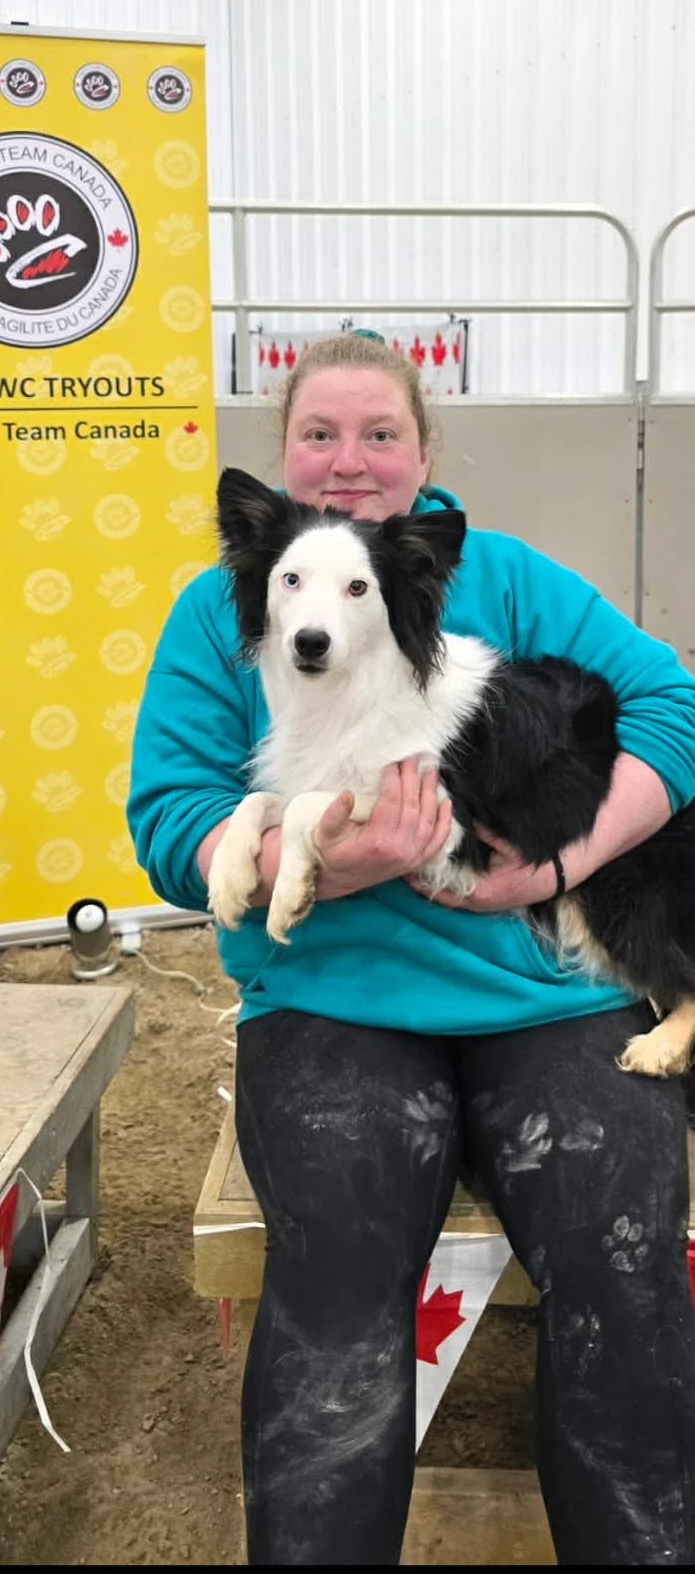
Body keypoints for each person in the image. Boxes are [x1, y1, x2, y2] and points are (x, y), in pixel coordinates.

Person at [126, 330, 695, 1565]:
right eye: (319, 434)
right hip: (330, 1000)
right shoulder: (224, 607)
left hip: (548, 994)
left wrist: (558, 866)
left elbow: (672, 707)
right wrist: (337, 859)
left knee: (621, 1252)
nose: (349, 460)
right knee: (337, 1269)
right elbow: (170, 823)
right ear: (283, 457)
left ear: (423, 453)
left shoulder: (510, 578)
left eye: (379, 433)